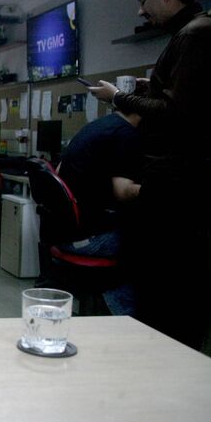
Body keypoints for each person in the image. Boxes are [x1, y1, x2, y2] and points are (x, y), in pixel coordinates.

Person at [88, 0, 211, 349]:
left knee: (167, 290)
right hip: (174, 180)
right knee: (158, 284)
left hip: (177, 184)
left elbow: (179, 115)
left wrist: (118, 97)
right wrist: (149, 88)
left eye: (144, 1)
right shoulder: (189, 35)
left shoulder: (196, 35)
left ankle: (164, 364)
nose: (141, 11)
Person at [56, 104, 143, 315]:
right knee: (144, 247)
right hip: (90, 240)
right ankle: (125, 321)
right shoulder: (126, 135)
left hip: (64, 234)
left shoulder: (95, 126)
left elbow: (57, 172)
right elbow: (122, 191)